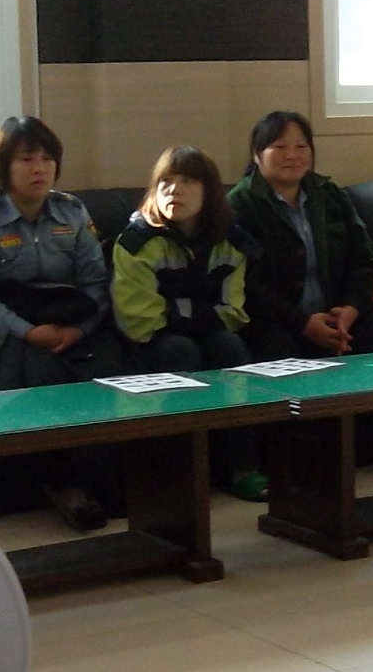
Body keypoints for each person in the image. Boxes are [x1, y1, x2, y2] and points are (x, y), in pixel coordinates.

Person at [226, 110, 373, 478]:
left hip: (338, 316)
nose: (292, 155)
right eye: (279, 147)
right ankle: (289, 467)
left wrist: (351, 310)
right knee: (275, 348)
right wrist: (303, 323)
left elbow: (364, 260)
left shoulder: (328, 194)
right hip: (276, 320)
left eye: (301, 146)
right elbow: (248, 284)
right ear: (257, 154)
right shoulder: (241, 205)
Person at [0, 115, 125, 531]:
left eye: (47, 159)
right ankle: (66, 484)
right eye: (27, 159)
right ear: (4, 166)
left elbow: (96, 282)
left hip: (74, 324)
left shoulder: (72, 211)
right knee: (41, 373)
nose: (39, 169)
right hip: (15, 329)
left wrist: (78, 330)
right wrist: (29, 331)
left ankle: (103, 481)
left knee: (112, 370)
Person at [112, 143, 264, 499]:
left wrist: (175, 312)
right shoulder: (137, 242)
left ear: (209, 192)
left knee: (229, 347)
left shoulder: (231, 242)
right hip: (148, 343)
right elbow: (139, 321)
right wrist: (197, 317)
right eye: (165, 182)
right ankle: (175, 474)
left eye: (188, 181)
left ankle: (244, 468)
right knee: (180, 351)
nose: (174, 190)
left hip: (205, 333)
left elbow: (233, 312)